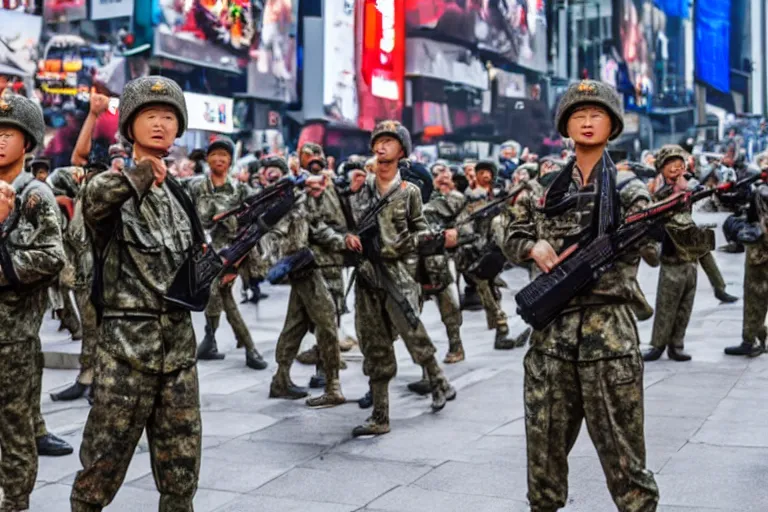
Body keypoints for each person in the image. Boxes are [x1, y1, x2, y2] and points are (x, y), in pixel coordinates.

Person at [500, 80, 659, 511]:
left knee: (626, 464)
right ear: (565, 126)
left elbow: (659, 247)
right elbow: (505, 228)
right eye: (578, 116)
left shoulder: (629, 189)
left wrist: (659, 227)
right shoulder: (545, 186)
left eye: (597, 115)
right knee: (543, 458)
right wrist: (531, 246)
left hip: (609, 340)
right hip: (551, 339)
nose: (587, 122)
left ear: (612, 125)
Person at [70, 76, 202, 511]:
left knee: (182, 475)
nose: (160, 125)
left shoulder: (181, 196)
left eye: (168, 117)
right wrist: (141, 172)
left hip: (178, 352)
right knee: (99, 474)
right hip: (127, 353)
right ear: (129, 126)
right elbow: (93, 200)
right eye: (150, 117)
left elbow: (194, 259)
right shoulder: (114, 185)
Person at [346, 120, 456, 436]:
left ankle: (438, 381)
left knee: (413, 333)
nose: (381, 147)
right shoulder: (358, 187)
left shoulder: (410, 192)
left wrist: (430, 238)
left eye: (389, 142)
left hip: (397, 276)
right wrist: (345, 238)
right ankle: (380, 416)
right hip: (368, 277)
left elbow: (419, 226)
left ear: (401, 151)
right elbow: (344, 223)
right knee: (374, 344)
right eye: (377, 141)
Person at [0, 92, 68, 512]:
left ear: (28, 142)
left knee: (14, 423)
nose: (0, 140)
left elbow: (51, 257)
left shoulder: (34, 195)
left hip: (13, 334)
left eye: (8, 133)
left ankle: (15, 499)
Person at [265, 155, 347, 407]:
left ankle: (280, 378)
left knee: (296, 324)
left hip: (318, 269)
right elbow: (316, 229)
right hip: (308, 269)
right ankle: (332, 384)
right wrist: (343, 241)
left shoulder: (331, 193)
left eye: (319, 180)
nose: (316, 185)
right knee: (327, 323)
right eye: (310, 182)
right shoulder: (298, 200)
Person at [189, 136, 268, 370]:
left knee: (221, 295)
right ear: (207, 159)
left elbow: (253, 226)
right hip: (204, 253)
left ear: (231, 160)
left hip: (231, 253)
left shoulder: (241, 190)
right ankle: (216, 342)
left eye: (224, 155)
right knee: (221, 298)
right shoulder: (195, 187)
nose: (219, 159)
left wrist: (235, 264)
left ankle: (241, 347)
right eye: (214, 154)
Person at [643, 145, 712, 363]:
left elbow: (702, 191)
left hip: (689, 254)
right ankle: (657, 344)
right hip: (671, 255)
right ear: (661, 168)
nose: (675, 167)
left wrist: (686, 187)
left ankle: (677, 344)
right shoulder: (657, 191)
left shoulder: (687, 186)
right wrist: (677, 191)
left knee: (685, 303)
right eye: (670, 164)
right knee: (666, 303)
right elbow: (654, 211)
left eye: (679, 163)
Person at [51, 161, 109, 403]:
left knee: (98, 328)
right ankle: (88, 377)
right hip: (81, 275)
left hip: (99, 276)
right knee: (90, 327)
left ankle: (95, 379)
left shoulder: (99, 200)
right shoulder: (73, 201)